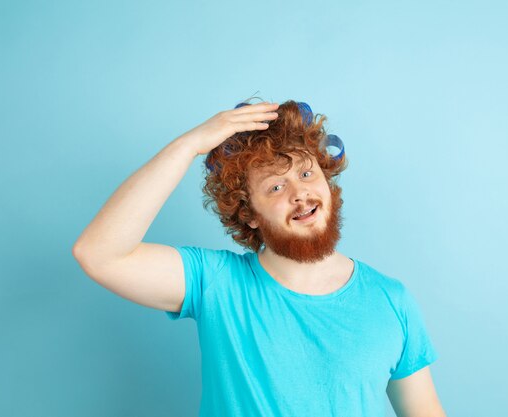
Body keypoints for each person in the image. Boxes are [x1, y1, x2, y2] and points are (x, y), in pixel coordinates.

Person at [72, 99, 446, 417]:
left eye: (306, 173)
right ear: (248, 212)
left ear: (327, 183)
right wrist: (188, 146)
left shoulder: (390, 300)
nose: (300, 193)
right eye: (276, 186)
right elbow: (99, 254)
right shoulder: (216, 283)